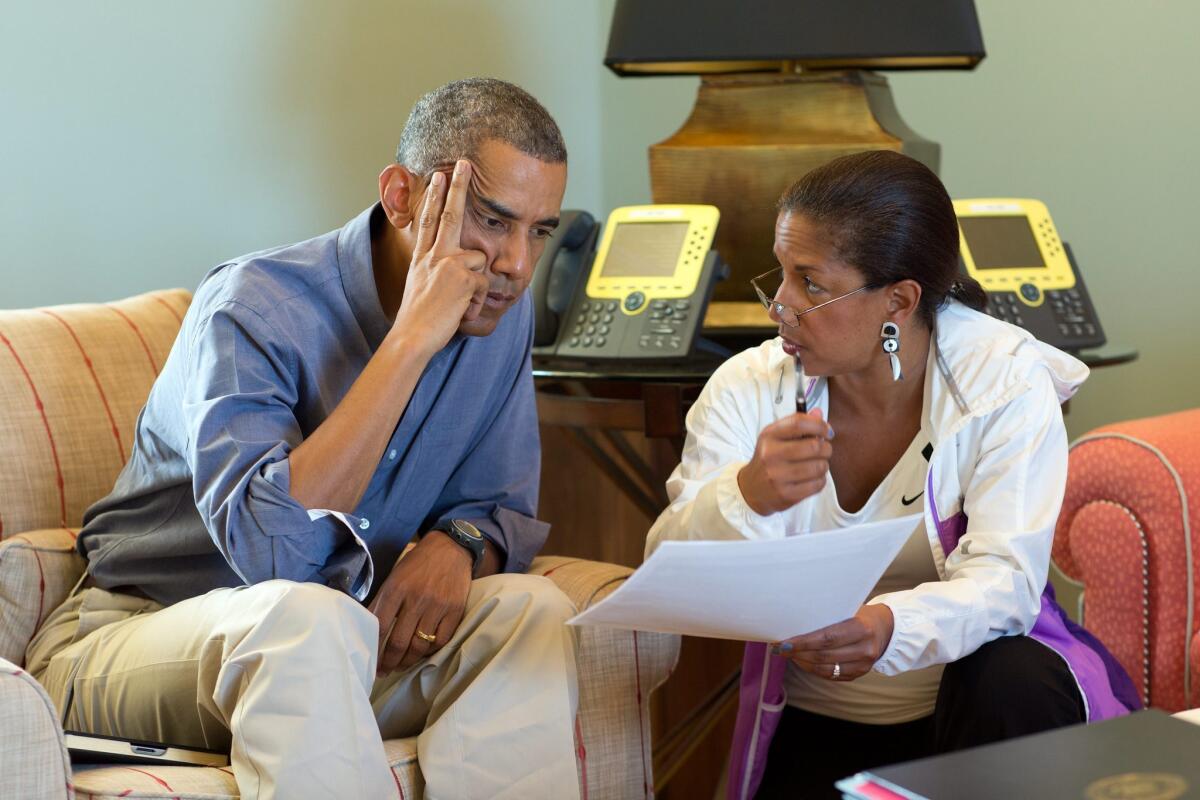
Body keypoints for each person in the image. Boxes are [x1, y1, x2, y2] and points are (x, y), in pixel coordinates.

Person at [25, 78, 582, 800]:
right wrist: (410, 340)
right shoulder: (253, 306)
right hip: (132, 638)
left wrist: (462, 543)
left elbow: (501, 503)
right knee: (305, 618)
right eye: (492, 220)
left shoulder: (499, 314)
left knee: (532, 613)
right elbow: (279, 556)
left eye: (540, 231)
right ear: (401, 196)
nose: (516, 264)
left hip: (333, 645)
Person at [644, 150, 1140, 799]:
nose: (780, 307)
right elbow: (663, 566)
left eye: (811, 283)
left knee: (1012, 677)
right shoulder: (748, 387)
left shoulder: (1003, 384)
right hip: (812, 717)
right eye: (781, 274)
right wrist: (743, 497)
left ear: (899, 300)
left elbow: (1007, 583)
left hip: (969, 714)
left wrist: (889, 627)